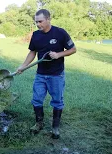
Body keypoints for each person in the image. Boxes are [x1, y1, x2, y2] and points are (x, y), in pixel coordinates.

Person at [17, 9, 76, 139]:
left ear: (48, 19)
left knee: (57, 101)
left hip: (56, 75)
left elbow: (73, 49)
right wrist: (23, 66)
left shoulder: (60, 33)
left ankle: (55, 128)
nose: (38, 24)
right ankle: (39, 123)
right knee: (36, 99)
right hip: (41, 74)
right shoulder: (36, 35)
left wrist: (59, 54)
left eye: (40, 21)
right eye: (36, 21)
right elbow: (32, 52)